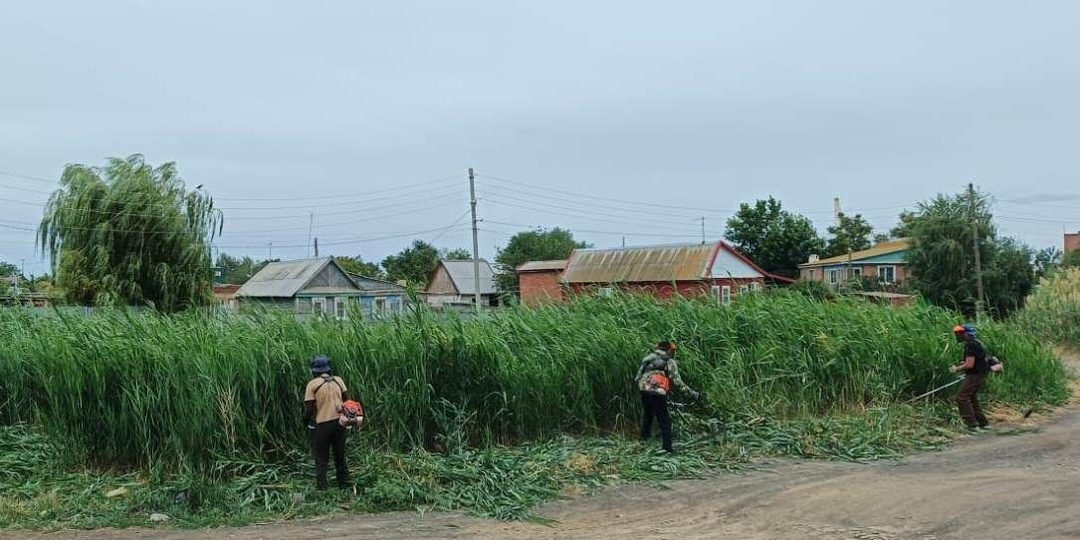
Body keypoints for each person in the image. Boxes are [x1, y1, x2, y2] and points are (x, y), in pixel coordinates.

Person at [635, 340, 699, 453]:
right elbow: (677, 382)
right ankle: (667, 448)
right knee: (664, 419)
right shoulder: (669, 361)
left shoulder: (647, 359)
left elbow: (637, 377)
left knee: (648, 415)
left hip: (643, 388)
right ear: (669, 350)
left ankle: (643, 441)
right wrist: (692, 394)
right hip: (656, 390)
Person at [303, 355, 352, 489]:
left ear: (315, 371)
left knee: (321, 457)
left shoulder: (312, 384)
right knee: (340, 456)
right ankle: (344, 485)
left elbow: (309, 408)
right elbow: (346, 400)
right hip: (340, 423)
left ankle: (322, 487)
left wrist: (305, 422)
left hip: (323, 424)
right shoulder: (338, 381)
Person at [950, 324, 991, 431]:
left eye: (962, 334)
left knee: (962, 398)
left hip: (974, 375)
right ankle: (983, 423)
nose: (960, 336)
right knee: (971, 397)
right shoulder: (977, 343)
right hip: (980, 374)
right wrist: (964, 363)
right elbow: (976, 361)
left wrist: (957, 369)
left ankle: (972, 425)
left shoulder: (970, 345)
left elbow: (969, 365)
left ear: (967, 334)